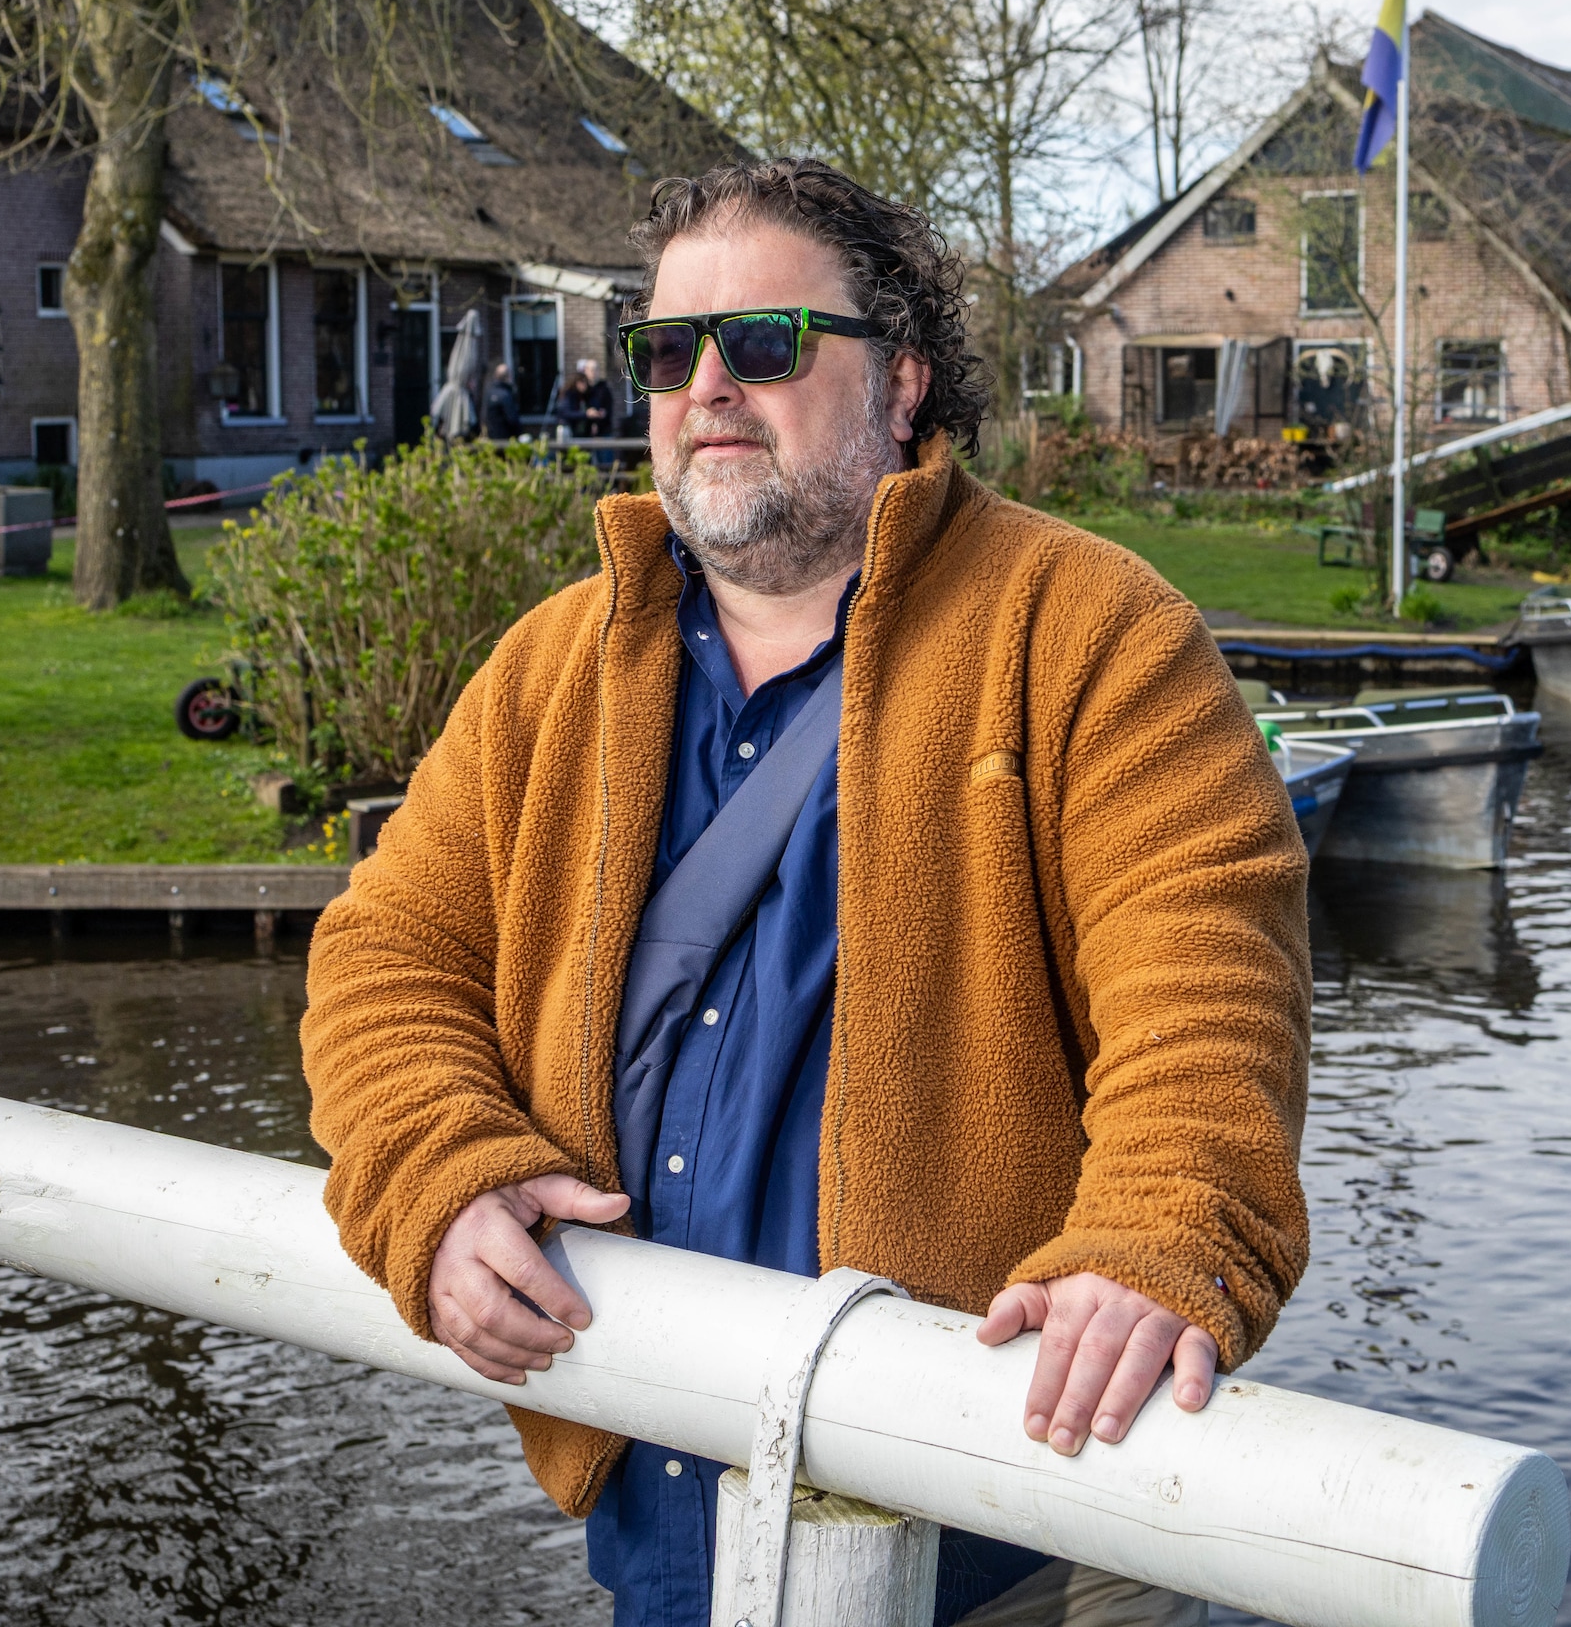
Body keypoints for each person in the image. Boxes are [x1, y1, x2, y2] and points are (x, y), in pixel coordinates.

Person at [302, 159, 1310, 1627]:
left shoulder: (1092, 634)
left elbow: (1205, 983)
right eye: (666, 351)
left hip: (1002, 1523)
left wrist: (1160, 1232)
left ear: (901, 380)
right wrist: (435, 1178)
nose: (706, 386)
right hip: (656, 1518)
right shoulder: (546, 671)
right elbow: (385, 956)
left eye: (763, 343)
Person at [483, 361, 523, 440]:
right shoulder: (506, 395)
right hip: (506, 439)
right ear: (508, 377)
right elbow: (512, 419)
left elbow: (484, 415)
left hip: (492, 438)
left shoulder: (488, 392)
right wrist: (519, 433)